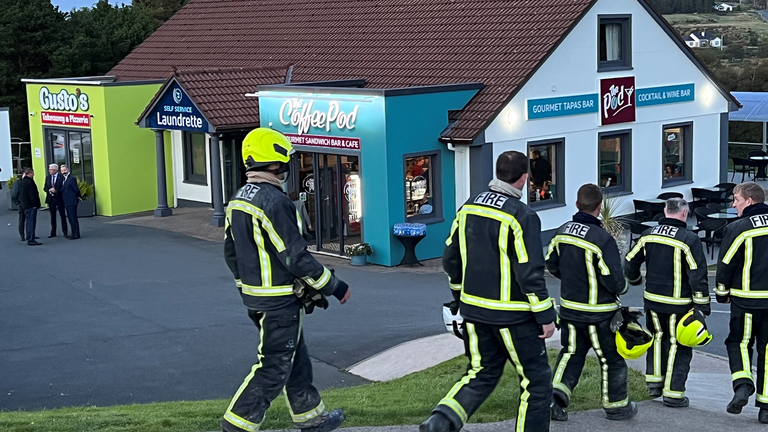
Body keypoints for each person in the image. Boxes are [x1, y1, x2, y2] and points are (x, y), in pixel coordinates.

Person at [221, 128, 351, 432]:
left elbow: (230, 252)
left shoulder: (239, 199)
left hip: (257, 298)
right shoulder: (276, 202)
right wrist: (334, 286)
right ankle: (236, 425)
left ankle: (311, 418)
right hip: (278, 302)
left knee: (295, 357)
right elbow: (294, 256)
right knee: (275, 365)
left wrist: (246, 286)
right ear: (277, 162)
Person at [421, 151, 556, 432]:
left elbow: (450, 259)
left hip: (473, 311)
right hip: (514, 317)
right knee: (536, 381)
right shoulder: (522, 216)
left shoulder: (468, 207)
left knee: (481, 371)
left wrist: (458, 296)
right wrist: (545, 314)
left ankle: (440, 421)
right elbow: (529, 271)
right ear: (524, 178)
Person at [546, 184, 636, 421]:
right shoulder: (602, 239)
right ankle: (617, 407)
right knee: (611, 359)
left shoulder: (561, 231)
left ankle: (553, 400)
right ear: (600, 207)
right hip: (600, 313)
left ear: (577, 205)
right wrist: (624, 288)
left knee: (570, 354)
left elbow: (551, 264)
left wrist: (572, 280)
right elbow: (614, 279)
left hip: (569, 310)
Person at [625, 198, 710, 407]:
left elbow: (629, 261)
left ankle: (653, 384)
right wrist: (701, 308)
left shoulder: (648, 235)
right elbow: (698, 275)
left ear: (665, 211)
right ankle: (674, 392)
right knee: (679, 345)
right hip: (679, 303)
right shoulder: (689, 239)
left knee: (657, 338)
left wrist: (635, 280)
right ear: (685, 213)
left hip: (652, 300)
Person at [716, 181, 768, 423]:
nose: (733, 205)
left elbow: (725, 264)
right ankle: (766, 407)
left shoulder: (738, 228)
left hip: (745, 300)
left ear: (749, 200)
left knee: (739, 342)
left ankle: (743, 384)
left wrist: (721, 293)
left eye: (735, 200)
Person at [18, 168, 42, 246]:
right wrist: (36, 205)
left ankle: (29, 236)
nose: (34, 174)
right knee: (31, 222)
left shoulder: (22, 182)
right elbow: (33, 195)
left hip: (24, 205)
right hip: (30, 205)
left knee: (28, 222)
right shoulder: (30, 182)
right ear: (30, 173)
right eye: (33, 173)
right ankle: (31, 239)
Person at [43, 163, 67, 238]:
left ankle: (65, 232)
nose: (49, 171)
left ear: (55, 170)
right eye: (49, 169)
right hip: (51, 199)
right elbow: (45, 187)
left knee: (62, 215)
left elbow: (63, 188)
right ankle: (53, 232)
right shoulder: (48, 177)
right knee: (52, 216)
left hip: (59, 198)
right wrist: (49, 190)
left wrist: (56, 190)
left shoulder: (61, 177)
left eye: (51, 169)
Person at [60, 165, 81, 240]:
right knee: (70, 218)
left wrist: (78, 196)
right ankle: (73, 232)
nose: (63, 172)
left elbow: (76, 189)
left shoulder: (72, 178)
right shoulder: (63, 179)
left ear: (68, 169)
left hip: (71, 201)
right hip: (66, 201)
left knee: (73, 218)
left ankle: (76, 234)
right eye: (62, 171)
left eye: (64, 170)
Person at [11, 171, 27, 241]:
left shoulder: (27, 181)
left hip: (27, 204)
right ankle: (22, 235)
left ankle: (30, 234)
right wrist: (17, 203)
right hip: (22, 204)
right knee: (22, 219)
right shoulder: (18, 183)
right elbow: (14, 194)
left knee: (29, 220)